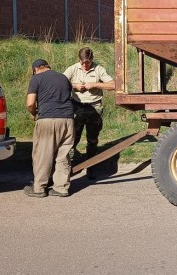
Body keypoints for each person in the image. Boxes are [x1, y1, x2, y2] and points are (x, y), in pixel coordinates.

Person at [24, 59, 74, 198]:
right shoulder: (64, 78)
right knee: (63, 154)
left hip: (47, 119)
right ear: (48, 67)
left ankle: (39, 188)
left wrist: (34, 113)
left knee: (43, 154)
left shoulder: (36, 78)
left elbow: (30, 103)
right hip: (68, 119)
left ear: (35, 69)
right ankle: (61, 188)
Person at [63, 47, 114, 179]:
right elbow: (61, 82)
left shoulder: (99, 69)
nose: (86, 66)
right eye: (83, 63)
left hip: (94, 107)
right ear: (79, 60)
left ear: (92, 60)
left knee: (92, 139)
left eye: (88, 63)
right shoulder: (73, 68)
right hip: (77, 106)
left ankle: (91, 166)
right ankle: (69, 166)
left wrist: (96, 85)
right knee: (73, 137)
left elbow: (113, 85)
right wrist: (74, 86)